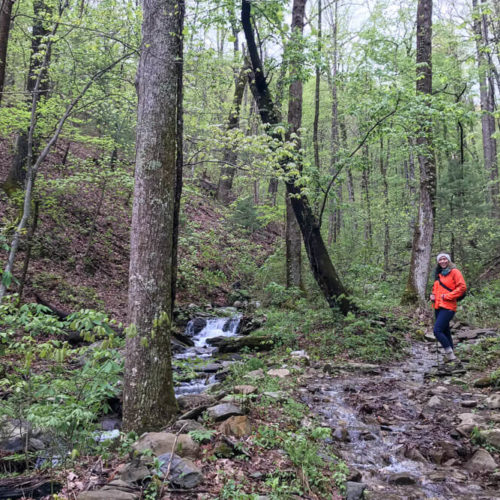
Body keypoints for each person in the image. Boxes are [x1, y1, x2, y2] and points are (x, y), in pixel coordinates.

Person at [430, 253, 467, 362]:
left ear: (448, 260)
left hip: (449, 306)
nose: (442, 261)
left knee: (437, 330)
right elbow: (437, 290)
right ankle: (452, 356)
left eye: (444, 259)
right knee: (445, 331)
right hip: (438, 306)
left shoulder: (455, 272)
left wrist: (447, 296)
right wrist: (433, 296)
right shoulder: (439, 274)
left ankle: (449, 354)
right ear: (438, 262)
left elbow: (462, 287)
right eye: (440, 259)